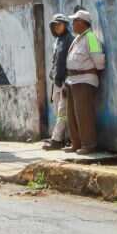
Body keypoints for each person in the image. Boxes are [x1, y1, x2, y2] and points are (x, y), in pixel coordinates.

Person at [64, 9, 106, 154]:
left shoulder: (91, 38)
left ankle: (89, 145)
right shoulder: (78, 38)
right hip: (72, 81)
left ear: (83, 23)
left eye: (75, 21)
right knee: (72, 115)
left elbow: (99, 62)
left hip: (85, 80)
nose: (73, 24)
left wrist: (92, 74)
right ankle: (76, 143)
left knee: (84, 114)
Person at [45, 14, 72, 148]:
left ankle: (56, 140)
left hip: (65, 81)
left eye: (59, 24)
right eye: (55, 25)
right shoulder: (58, 40)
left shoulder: (69, 39)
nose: (57, 27)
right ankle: (64, 138)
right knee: (59, 111)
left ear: (65, 25)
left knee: (62, 111)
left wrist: (65, 81)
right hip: (56, 81)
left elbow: (66, 63)